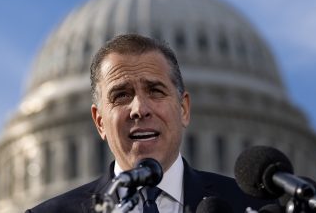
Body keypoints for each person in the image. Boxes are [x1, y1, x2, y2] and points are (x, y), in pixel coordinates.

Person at [26, 34, 269, 213]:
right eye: (121, 95)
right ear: (99, 121)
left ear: (183, 109)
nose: (139, 109)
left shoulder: (253, 207)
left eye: (155, 91)